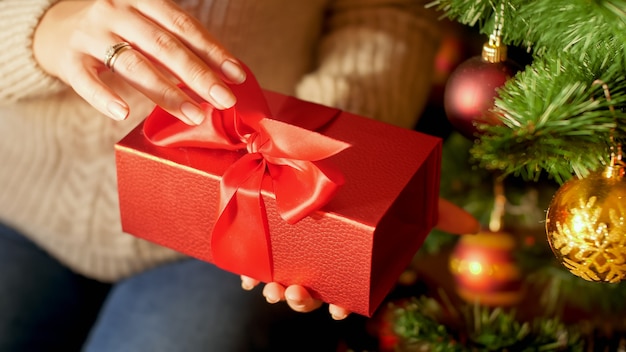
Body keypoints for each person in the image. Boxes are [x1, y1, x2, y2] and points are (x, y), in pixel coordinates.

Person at [0, 0, 479, 351]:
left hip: (240, 230)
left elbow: (390, 12)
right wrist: (38, 28)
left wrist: (320, 153)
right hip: (20, 201)